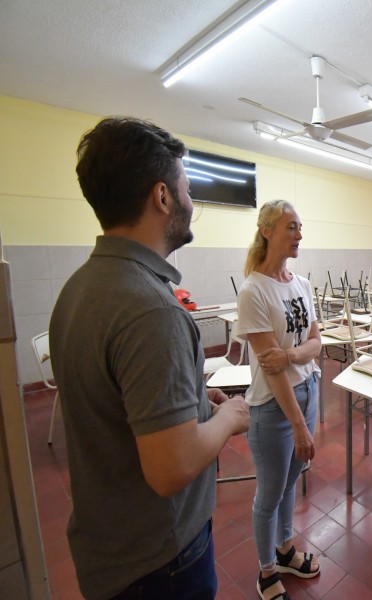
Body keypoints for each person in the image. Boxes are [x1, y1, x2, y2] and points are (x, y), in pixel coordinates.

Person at [49, 117, 250, 599]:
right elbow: (170, 468)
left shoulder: (80, 289)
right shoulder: (152, 309)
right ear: (163, 197)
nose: (190, 203)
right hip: (161, 564)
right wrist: (225, 417)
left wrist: (194, 402)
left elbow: (118, 406)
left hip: (112, 547)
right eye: (186, 189)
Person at [237, 200, 322, 600]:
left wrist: (292, 354)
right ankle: (267, 570)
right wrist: (300, 425)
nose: (299, 235)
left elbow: (316, 344)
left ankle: (285, 548)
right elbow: (271, 372)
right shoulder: (254, 290)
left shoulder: (302, 284)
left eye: (300, 227)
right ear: (267, 231)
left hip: (310, 390)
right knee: (270, 492)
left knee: (291, 481)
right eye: (291, 227)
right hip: (274, 407)